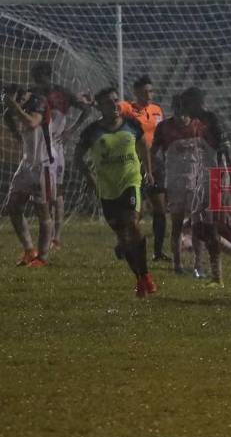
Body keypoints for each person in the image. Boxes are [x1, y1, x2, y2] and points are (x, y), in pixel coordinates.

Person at [152, 95, 231, 280]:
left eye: (185, 111)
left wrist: (222, 177)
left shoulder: (200, 126)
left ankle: (201, 266)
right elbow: (153, 151)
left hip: (198, 184)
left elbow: (214, 152)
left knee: (201, 228)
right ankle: (179, 265)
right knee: (178, 226)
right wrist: (152, 171)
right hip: (175, 184)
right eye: (178, 111)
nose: (182, 116)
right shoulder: (164, 128)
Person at [74, 87, 157, 298]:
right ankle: (138, 278)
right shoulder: (92, 131)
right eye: (109, 102)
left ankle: (146, 275)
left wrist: (147, 170)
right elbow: (77, 158)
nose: (114, 105)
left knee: (132, 224)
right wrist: (90, 178)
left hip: (131, 181)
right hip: (107, 189)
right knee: (124, 237)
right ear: (100, 107)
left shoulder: (131, 124)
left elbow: (144, 146)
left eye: (115, 100)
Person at [178, 86, 231, 288]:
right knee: (201, 228)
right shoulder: (194, 123)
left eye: (187, 104)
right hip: (204, 178)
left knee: (206, 228)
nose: (184, 108)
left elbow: (225, 150)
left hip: (215, 177)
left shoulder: (212, 120)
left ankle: (218, 277)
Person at [30, 62, 91, 250]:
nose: (39, 81)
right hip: (37, 148)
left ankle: (56, 237)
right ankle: (49, 236)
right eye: (37, 78)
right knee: (44, 194)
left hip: (54, 148)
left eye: (41, 77)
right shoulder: (33, 95)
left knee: (56, 193)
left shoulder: (61, 93)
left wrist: (71, 130)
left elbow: (86, 109)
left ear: (46, 76)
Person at [2, 85, 55, 267]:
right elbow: (11, 119)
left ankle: (43, 257)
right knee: (13, 206)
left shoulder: (38, 101)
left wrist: (13, 107)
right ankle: (29, 250)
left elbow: (32, 122)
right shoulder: (16, 106)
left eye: (15, 100)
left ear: (22, 96)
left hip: (45, 164)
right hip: (26, 164)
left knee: (43, 211)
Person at [118, 75, 168, 263]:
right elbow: (116, 108)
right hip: (135, 163)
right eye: (145, 91)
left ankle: (158, 252)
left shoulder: (156, 110)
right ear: (136, 92)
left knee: (160, 209)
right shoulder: (128, 108)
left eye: (151, 91)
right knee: (134, 210)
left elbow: (160, 135)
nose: (149, 94)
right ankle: (126, 244)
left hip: (155, 163)